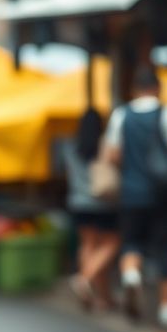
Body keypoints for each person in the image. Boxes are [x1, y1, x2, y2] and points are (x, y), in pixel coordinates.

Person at [100, 66, 167, 326]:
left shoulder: (121, 115)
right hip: (163, 193)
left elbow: (112, 155)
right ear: (157, 88)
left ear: (134, 89)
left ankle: (132, 276)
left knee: (131, 242)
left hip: (131, 192)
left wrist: (131, 169)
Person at [63, 108, 120, 312]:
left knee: (88, 245)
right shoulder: (105, 145)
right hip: (103, 203)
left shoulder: (70, 147)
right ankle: (84, 278)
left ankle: (102, 296)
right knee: (111, 243)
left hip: (78, 203)